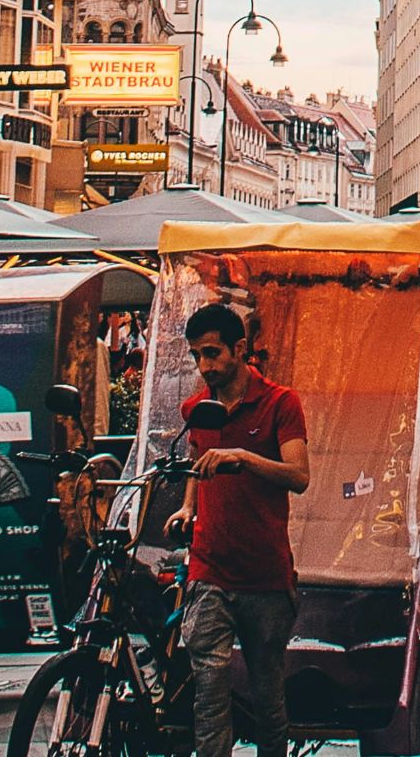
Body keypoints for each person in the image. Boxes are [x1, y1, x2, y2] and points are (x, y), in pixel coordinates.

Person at [163, 304, 310, 757]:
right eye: (196, 356)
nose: (205, 366)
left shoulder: (280, 403)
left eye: (212, 353)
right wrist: (188, 507)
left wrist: (242, 457)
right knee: (208, 690)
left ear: (240, 349)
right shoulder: (198, 409)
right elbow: (195, 462)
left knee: (267, 697)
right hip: (210, 569)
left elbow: (299, 475)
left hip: (265, 574)